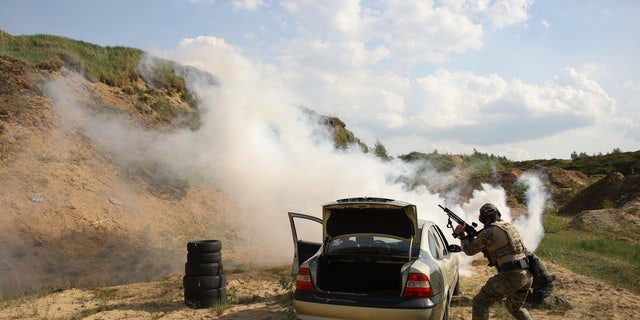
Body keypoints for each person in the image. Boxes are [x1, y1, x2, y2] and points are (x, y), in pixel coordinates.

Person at [454, 203, 533, 320]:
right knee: (515, 308)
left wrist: (461, 235)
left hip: (511, 275)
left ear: (484, 218)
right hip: (527, 274)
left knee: (480, 302)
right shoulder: (508, 226)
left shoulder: (490, 231)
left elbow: (470, 250)